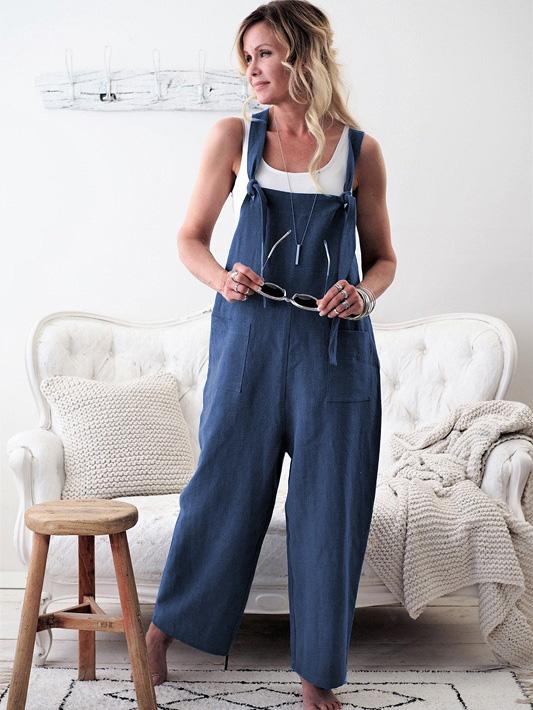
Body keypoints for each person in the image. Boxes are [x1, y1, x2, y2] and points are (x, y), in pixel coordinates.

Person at [144, 1, 396, 708]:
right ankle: (162, 630)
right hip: (248, 346)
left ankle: (316, 675)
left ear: (302, 56)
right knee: (220, 491)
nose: (252, 69)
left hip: (334, 355)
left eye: (264, 54)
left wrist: (363, 294)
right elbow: (190, 238)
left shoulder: (360, 152)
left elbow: (383, 259)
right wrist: (221, 277)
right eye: (247, 57)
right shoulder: (234, 138)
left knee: (329, 507)